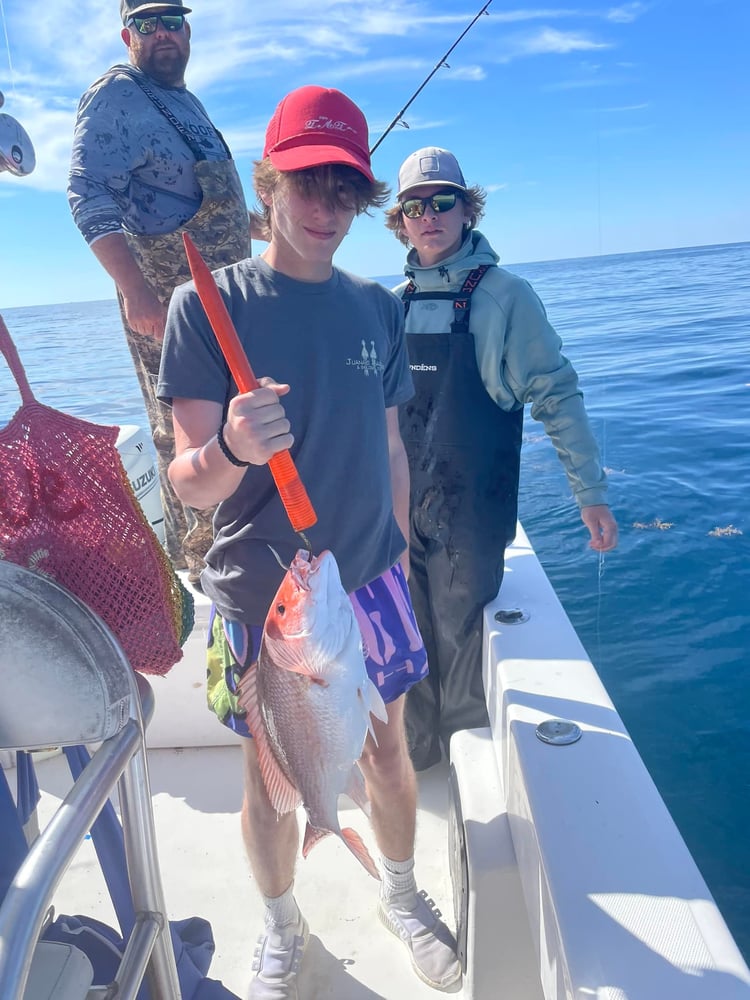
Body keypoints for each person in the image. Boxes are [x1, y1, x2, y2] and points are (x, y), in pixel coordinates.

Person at [156, 87, 462, 998]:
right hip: (263, 593)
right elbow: (187, 479)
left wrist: (399, 553)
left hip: (369, 582)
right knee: (272, 779)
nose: (326, 209)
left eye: (344, 190)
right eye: (306, 185)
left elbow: (394, 445)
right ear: (267, 188)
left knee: (388, 753)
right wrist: (234, 449)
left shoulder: (376, 307)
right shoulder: (205, 306)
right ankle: (283, 923)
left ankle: (401, 896)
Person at [384, 146, 619, 771]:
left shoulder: (506, 296)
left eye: (443, 201)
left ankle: (469, 775)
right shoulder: (391, 304)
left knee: (462, 639)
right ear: (400, 220)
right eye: (415, 206)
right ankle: (416, 764)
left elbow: (556, 394)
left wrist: (589, 492)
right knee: (404, 632)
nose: (429, 215)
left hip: (472, 514)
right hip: (402, 506)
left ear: (467, 209)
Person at [68, 0, 252, 585]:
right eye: (146, 24)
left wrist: (270, 229)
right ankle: (202, 567)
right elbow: (86, 195)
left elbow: (202, 204)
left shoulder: (187, 104)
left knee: (237, 421)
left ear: (188, 28)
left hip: (231, 301)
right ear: (128, 35)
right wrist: (135, 290)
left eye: (172, 19)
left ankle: (242, 542)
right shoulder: (116, 94)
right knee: (184, 429)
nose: (163, 33)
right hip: (173, 309)